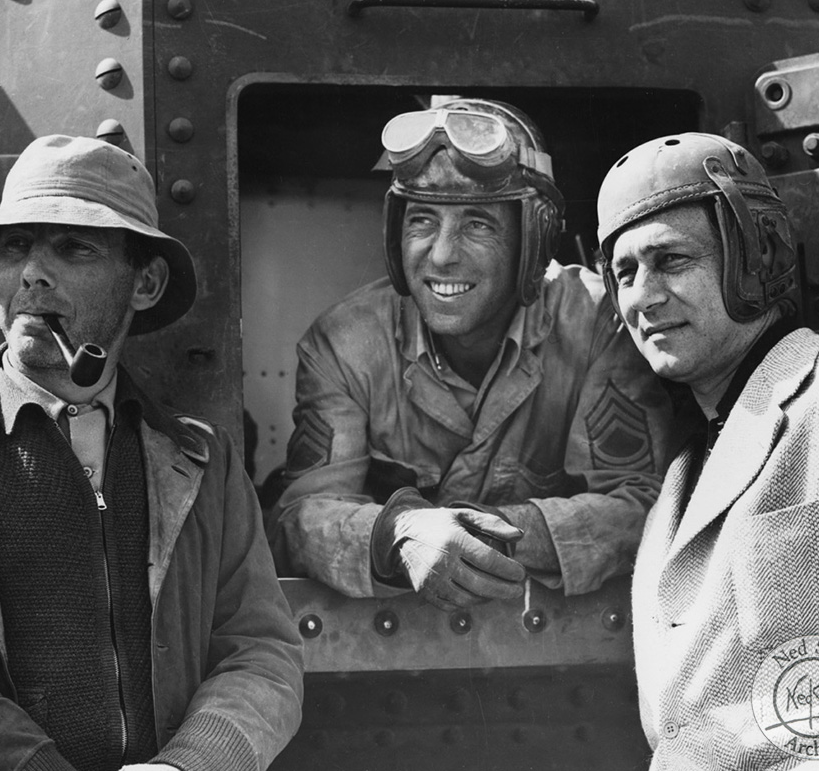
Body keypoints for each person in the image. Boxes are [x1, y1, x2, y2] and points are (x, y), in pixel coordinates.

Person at [0, 135, 303, 771]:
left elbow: (259, 650)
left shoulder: (204, 462)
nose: (31, 273)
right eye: (15, 246)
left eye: (73, 247)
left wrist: (191, 764)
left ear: (145, 282)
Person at [268, 98, 682, 611]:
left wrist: (486, 537)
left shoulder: (598, 323)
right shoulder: (345, 343)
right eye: (421, 221)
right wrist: (398, 533)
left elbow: (644, 505)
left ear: (533, 240)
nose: (442, 255)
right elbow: (299, 517)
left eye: (478, 225)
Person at [598, 132, 819, 768]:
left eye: (671, 260)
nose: (643, 295)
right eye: (625, 274)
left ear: (758, 256)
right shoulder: (678, 486)